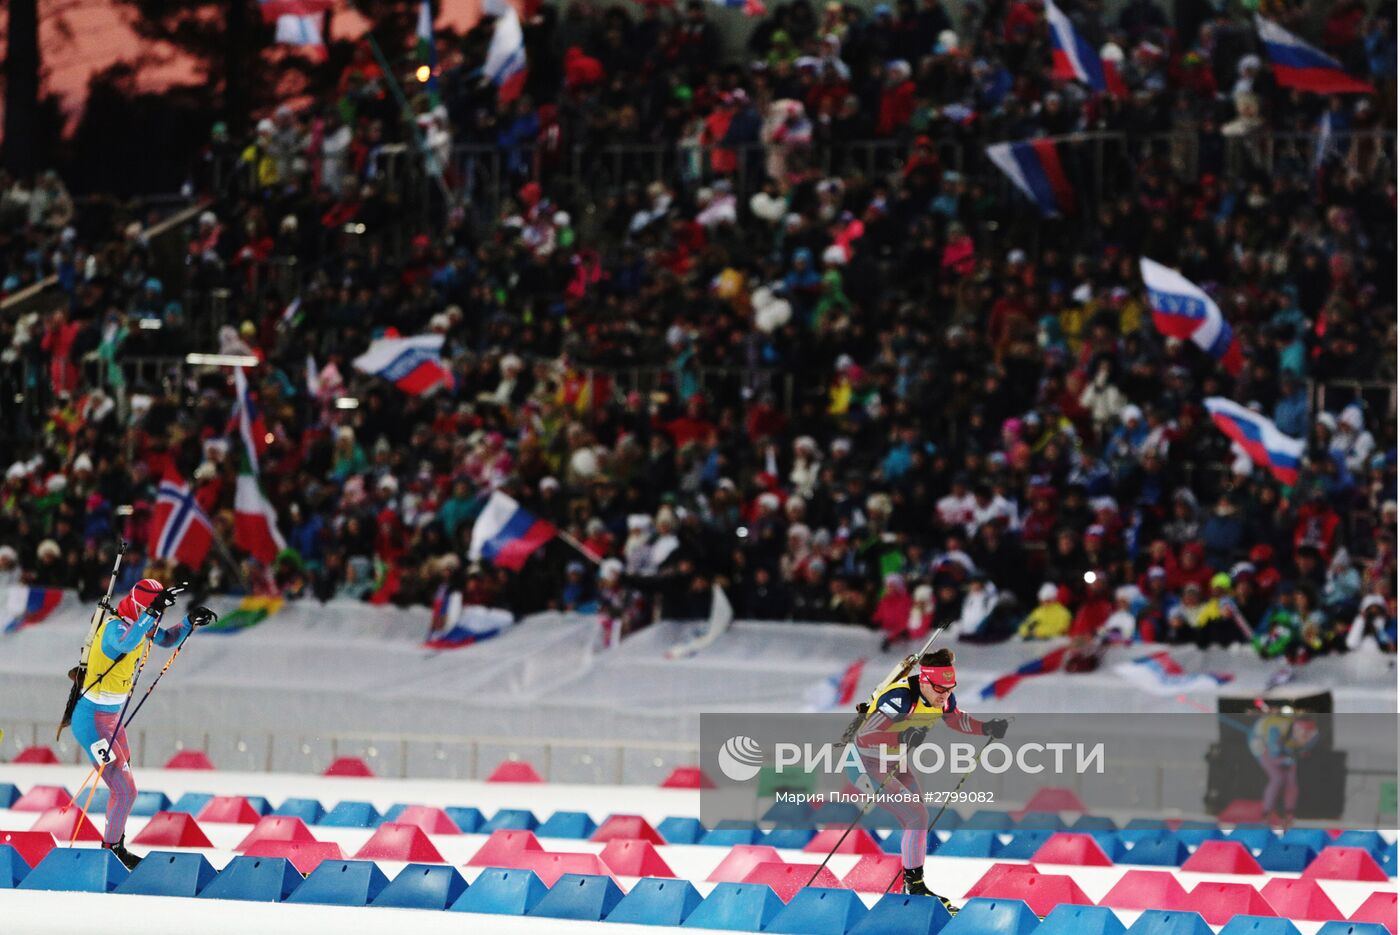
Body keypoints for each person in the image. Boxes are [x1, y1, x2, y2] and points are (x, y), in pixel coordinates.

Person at [69, 579, 215, 869]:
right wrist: (151, 612)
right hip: (92, 722)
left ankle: (115, 847)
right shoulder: (114, 627)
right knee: (125, 790)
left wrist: (188, 621)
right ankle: (111, 852)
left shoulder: (140, 623)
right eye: (152, 609)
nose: (157, 616)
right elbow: (126, 642)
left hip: (112, 720)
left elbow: (167, 639)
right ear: (139, 606)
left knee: (124, 788)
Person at [852, 648, 1008, 907]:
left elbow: (955, 720)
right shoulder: (899, 699)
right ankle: (915, 888)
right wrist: (901, 736)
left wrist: (986, 728)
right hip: (864, 763)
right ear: (924, 681)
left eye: (950, 688)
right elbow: (865, 736)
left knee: (916, 818)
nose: (945, 695)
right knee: (917, 816)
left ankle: (909, 885)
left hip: (893, 762)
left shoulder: (942, 695)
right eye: (940, 689)